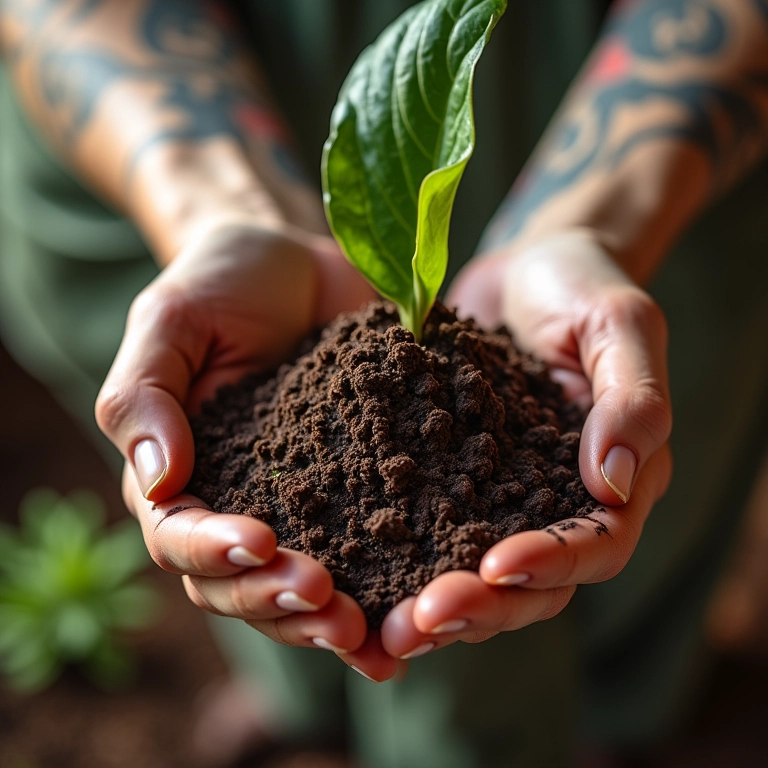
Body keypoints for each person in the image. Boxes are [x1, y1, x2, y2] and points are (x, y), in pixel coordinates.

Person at [1, 0, 767, 765]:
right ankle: (303, 701)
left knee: (644, 478)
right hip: (169, 101)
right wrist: (222, 211)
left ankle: (606, 718)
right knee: (254, 550)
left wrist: (589, 224)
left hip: (639, 103)